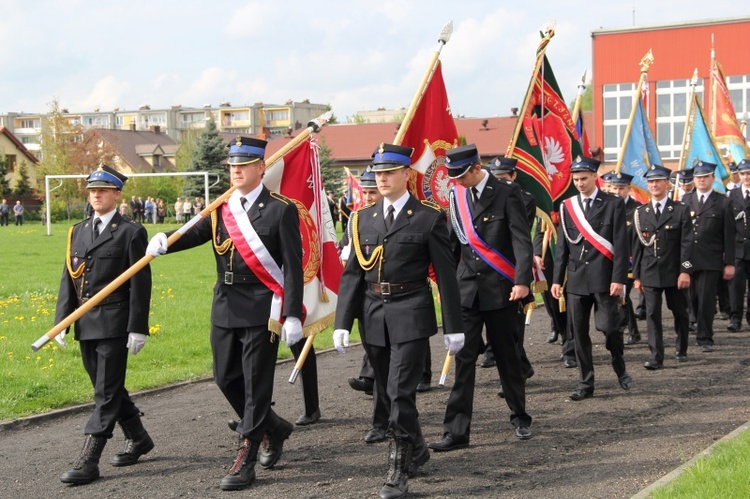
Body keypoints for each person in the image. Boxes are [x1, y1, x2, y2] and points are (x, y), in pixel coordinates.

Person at [147, 136, 304, 491]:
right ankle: (274, 428)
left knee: (255, 385)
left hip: (263, 307)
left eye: (243, 165)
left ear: (260, 168)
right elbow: (196, 233)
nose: (236, 171)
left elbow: (292, 266)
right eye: (232, 166)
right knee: (225, 377)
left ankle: (246, 456)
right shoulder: (222, 207)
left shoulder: (281, 209)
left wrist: (292, 313)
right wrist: (165, 240)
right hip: (226, 304)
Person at [332, 143, 464, 499]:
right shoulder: (362, 218)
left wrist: (454, 325)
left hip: (411, 310)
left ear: (407, 174)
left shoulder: (429, 217)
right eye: (378, 172)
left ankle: (397, 468)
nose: (382, 178)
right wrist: (343, 321)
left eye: (390, 171)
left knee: (399, 392)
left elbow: (447, 277)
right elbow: (353, 274)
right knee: (387, 395)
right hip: (373, 313)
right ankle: (417, 446)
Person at [428, 144, 534, 455]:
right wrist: (443, 283)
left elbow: (520, 239)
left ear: (476, 167)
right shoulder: (456, 196)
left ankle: (520, 416)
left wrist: (522, 280)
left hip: (500, 289)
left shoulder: (506, 192)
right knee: (464, 361)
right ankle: (456, 430)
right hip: (466, 291)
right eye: (454, 177)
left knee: (507, 357)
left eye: (462, 175)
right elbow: (451, 244)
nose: (458, 181)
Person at [55, 165, 153, 485]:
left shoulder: (131, 232)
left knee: (106, 391)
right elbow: (69, 278)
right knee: (106, 387)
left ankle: (89, 458)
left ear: (116, 195)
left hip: (115, 323)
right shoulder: (78, 230)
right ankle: (138, 437)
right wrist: (62, 322)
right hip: (85, 322)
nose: (96, 195)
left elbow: (141, 282)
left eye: (103, 190)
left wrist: (138, 326)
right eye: (92, 190)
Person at [550, 156, 632, 401]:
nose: (580, 183)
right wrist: (557, 280)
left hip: (605, 278)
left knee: (608, 327)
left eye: (584, 178)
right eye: (576, 179)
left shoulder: (613, 204)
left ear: (594, 177)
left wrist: (619, 279)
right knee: (578, 334)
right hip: (576, 279)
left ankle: (619, 365)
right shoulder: (568, 206)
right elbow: (562, 246)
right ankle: (585, 383)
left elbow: (620, 243)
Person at [632, 165, 693, 369]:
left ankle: (681, 347)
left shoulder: (680, 210)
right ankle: (656, 356)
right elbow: (638, 247)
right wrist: (637, 276)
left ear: (668, 183)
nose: (654, 185)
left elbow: (687, 243)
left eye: (658, 181)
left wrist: (685, 271)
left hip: (674, 271)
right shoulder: (640, 213)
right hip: (650, 271)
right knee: (651, 314)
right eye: (650, 181)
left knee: (679, 312)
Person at [483, 155, 536, 386]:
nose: (499, 182)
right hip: (485, 270)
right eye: (495, 178)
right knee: (498, 329)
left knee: (512, 329)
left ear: (514, 176)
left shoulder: (524, 199)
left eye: (503, 178)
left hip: (510, 269)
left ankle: (517, 373)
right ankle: (520, 366)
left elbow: (518, 236)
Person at [682, 161, 735, 352]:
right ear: (694, 179)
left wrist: (729, 262)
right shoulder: (684, 201)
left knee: (706, 299)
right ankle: (693, 321)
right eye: (698, 177)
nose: (701, 180)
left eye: (705, 176)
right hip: (687, 258)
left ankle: (705, 336)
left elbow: (729, 235)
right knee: (691, 297)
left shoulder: (723, 202)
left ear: (712, 178)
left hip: (710, 259)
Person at [609, 173, 643, 345]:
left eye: (621, 188)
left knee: (623, 296)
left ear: (629, 188)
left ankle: (626, 329)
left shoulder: (636, 209)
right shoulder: (608, 206)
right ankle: (632, 331)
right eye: (614, 188)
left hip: (630, 261)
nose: (617, 191)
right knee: (620, 298)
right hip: (611, 261)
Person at [728, 159, 750, 332]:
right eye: (743, 173)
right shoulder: (732, 196)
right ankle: (735, 319)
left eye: (749, 173)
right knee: (736, 286)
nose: (746, 177)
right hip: (737, 248)